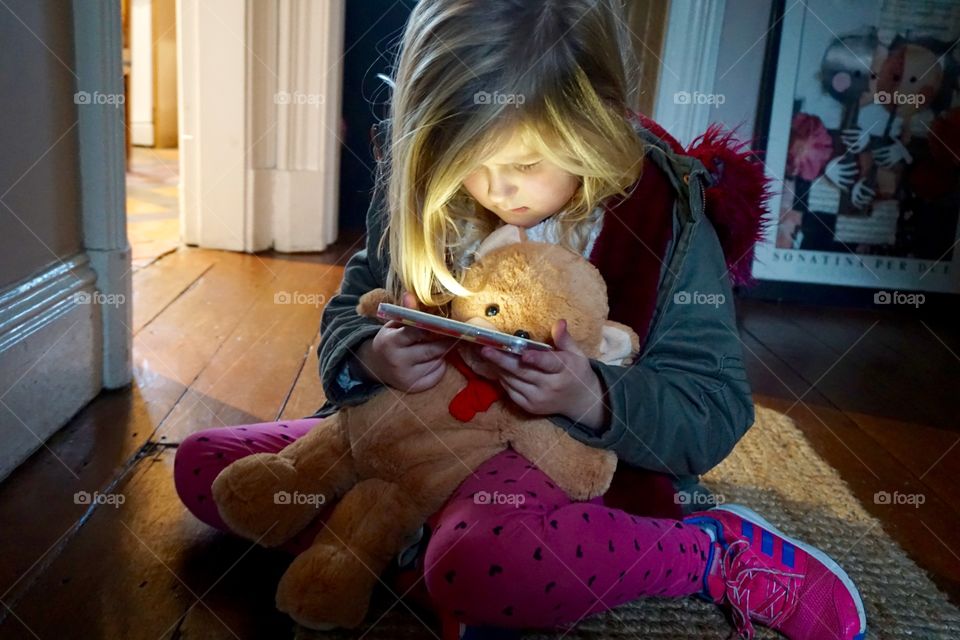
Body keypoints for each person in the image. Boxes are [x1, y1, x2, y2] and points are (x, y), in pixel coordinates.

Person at [174, 1, 867, 639]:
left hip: (547, 465)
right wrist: (367, 354)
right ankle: (427, 545)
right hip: (415, 441)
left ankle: (710, 554)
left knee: (489, 562)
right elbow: (355, 299)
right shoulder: (431, 179)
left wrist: (591, 397)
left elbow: (714, 409)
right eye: (466, 162)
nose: (498, 190)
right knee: (205, 469)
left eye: (526, 163)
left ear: (595, 119)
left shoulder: (667, 215)